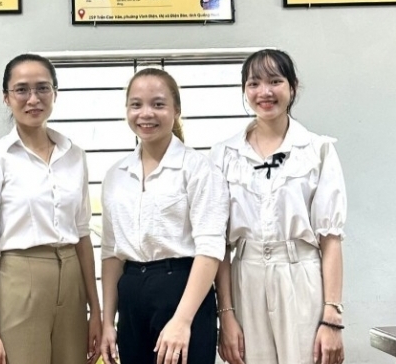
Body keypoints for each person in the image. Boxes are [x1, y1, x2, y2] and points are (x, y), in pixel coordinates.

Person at [0, 53, 102, 364]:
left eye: (42, 88)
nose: (33, 99)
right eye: (22, 90)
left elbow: (82, 234)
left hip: (72, 278)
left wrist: (95, 310)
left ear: (55, 93)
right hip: (19, 277)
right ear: (6, 97)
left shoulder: (74, 155)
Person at [212, 49, 346, 364]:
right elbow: (218, 244)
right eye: (254, 83)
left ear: (292, 87)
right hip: (245, 277)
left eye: (275, 81)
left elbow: (331, 239)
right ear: (244, 91)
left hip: (301, 275)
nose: (265, 92)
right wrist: (226, 314)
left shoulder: (317, 150)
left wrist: (332, 317)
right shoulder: (224, 154)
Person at [100, 68, 229, 364]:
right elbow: (110, 254)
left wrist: (182, 321)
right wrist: (108, 322)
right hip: (131, 294)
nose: (146, 113)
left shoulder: (198, 169)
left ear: (176, 110)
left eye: (158, 104)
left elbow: (210, 250)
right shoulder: (116, 175)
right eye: (136, 105)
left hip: (182, 289)